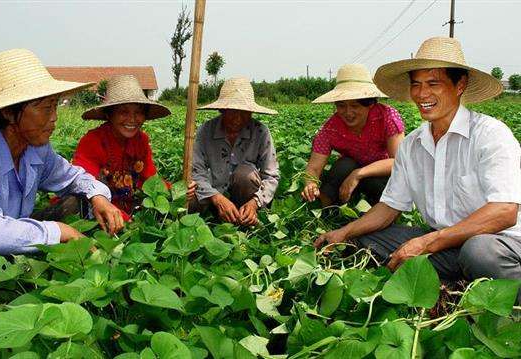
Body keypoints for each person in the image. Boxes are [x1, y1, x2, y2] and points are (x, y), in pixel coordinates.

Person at [316, 37, 520, 301]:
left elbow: (503, 213)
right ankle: (455, 284)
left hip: (499, 243)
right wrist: (344, 232)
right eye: (416, 84)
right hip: (445, 244)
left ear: (460, 85)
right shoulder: (413, 144)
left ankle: (492, 291)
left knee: (478, 252)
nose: (422, 94)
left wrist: (427, 243)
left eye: (433, 84)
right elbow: (389, 207)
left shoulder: (490, 134)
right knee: (369, 239)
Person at [0, 49, 122, 278]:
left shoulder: (34, 147)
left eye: (55, 105)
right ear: (8, 112)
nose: (54, 117)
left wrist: (98, 196)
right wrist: (58, 232)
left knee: (77, 201)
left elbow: (73, 178)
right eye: (45, 108)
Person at [72, 75, 194, 221]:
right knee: (74, 205)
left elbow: (149, 181)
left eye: (139, 112)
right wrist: (124, 220)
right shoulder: (92, 142)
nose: (132, 119)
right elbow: (84, 186)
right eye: (124, 112)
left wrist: (177, 190)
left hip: (129, 210)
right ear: (109, 114)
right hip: (97, 211)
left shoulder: (141, 141)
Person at [302, 64, 404, 207]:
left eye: (355, 106)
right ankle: (324, 211)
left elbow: (399, 162)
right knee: (344, 165)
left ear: (370, 104)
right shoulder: (330, 128)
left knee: (374, 182)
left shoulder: (387, 117)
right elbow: (314, 168)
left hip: (381, 173)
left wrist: (358, 174)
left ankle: (381, 213)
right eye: (342, 105)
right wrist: (310, 184)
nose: (348, 113)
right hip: (346, 175)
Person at [190, 77, 280, 226]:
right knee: (189, 196)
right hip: (213, 194)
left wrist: (254, 203)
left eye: (244, 113)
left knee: (244, 174)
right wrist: (217, 198)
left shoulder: (260, 132)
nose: (237, 119)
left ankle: (248, 218)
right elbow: (195, 171)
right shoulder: (206, 131)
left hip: (247, 196)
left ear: (251, 112)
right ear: (222, 110)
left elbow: (272, 176)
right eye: (232, 112)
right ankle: (206, 224)